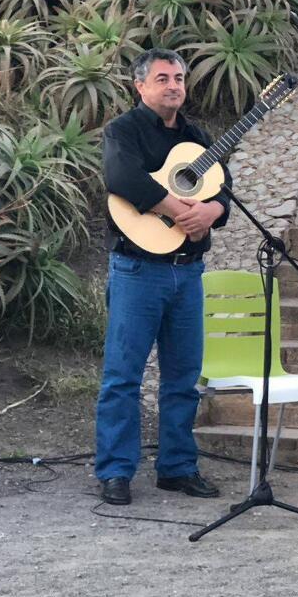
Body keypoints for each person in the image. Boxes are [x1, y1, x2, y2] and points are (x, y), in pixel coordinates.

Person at [95, 49, 230, 506]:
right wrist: (179, 212)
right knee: (123, 376)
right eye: (162, 78)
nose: (173, 85)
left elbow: (222, 189)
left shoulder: (197, 138)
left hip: (188, 273)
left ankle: (177, 467)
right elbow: (121, 177)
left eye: (178, 78)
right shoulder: (123, 130)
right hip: (137, 269)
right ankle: (115, 471)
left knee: (183, 377)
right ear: (141, 86)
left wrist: (211, 211)